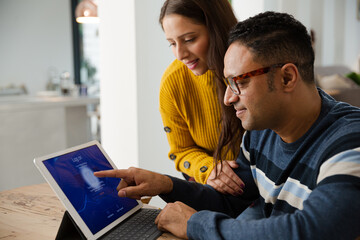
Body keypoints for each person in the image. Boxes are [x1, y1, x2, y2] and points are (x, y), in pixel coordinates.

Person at [95, 11, 360, 239]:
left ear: (287, 77)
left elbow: (311, 232)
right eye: (227, 83)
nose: (228, 97)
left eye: (239, 83)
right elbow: (230, 201)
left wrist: (195, 225)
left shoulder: (349, 142)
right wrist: (166, 184)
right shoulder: (260, 134)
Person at [158, 0, 245, 195]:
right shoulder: (173, 83)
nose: (180, 54)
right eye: (172, 43)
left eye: (189, 39)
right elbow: (181, 151)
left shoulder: (253, 68)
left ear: (216, 28)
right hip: (212, 187)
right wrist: (210, 168)